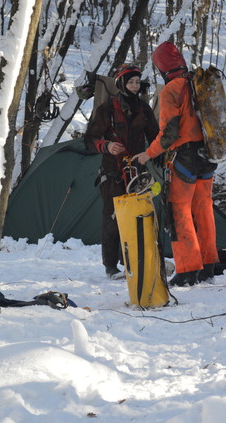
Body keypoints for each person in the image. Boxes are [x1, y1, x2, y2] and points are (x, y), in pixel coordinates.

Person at [132, 41, 219, 287]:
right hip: (209, 155)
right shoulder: (198, 82)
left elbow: (168, 135)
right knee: (203, 207)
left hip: (186, 157)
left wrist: (148, 154)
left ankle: (187, 271)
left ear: (162, 66)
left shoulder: (172, 89)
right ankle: (208, 265)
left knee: (178, 210)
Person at [85, 64, 159, 279]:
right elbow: (89, 140)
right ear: (121, 83)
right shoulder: (107, 108)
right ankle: (110, 265)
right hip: (112, 171)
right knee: (111, 218)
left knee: (137, 217)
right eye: (131, 82)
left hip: (137, 172)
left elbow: (155, 137)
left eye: (137, 82)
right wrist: (106, 146)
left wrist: (155, 153)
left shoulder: (144, 109)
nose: (135, 86)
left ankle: (132, 260)